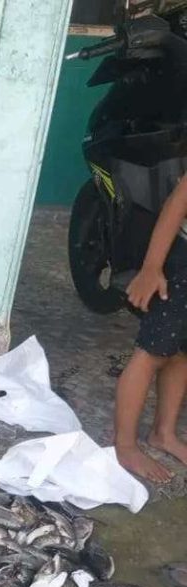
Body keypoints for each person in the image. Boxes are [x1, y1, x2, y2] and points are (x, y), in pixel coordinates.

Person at [116, 173, 187, 481]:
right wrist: (151, 268)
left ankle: (163, 433)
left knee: (183, 353)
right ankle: (125, 445)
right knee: (151, 353)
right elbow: (177, 204)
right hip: (183, 265)